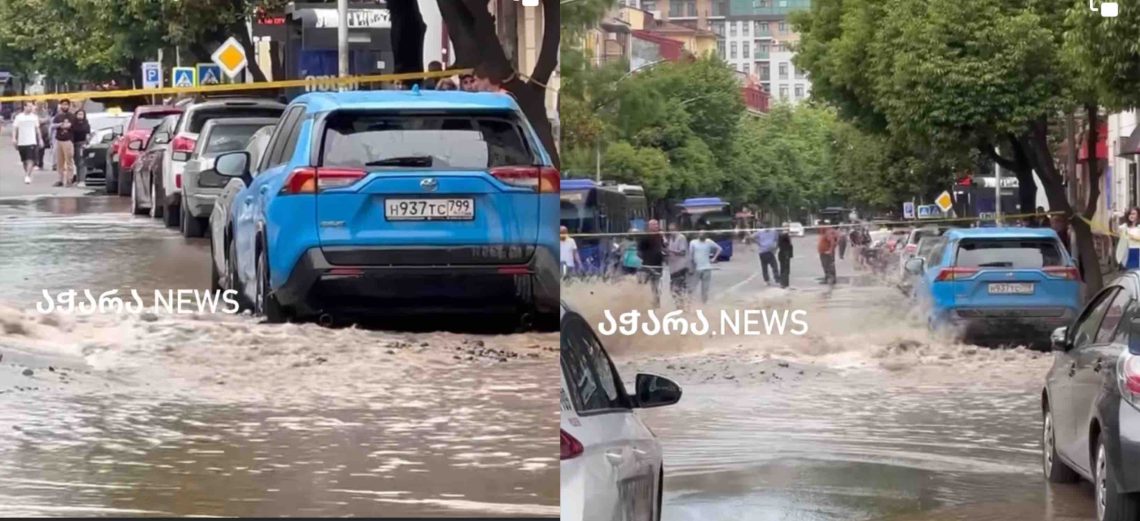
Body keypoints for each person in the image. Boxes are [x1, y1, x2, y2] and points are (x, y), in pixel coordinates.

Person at [689, 228, 724, 304]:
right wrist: (691, 267)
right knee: (692, 287)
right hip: (696, 268)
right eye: (701, 234)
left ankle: (704, 304)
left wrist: (714, 258)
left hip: (707, 268)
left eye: (704, 234)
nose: (702, 235)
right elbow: (690, 256)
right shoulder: (693, 243)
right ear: (698, 235)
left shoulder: (708, 242)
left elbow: (720, 249)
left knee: (705, 289)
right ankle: (689, 303)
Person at [637, 219, 666, 308]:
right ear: (649, 226)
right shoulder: (645, 236)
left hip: (658, 265)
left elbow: (665, 246)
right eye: (654, 225)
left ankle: (656, 305)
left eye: (657, 224)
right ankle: (640, 303)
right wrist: (644, 259)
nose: (656, 226)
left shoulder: (660, 236)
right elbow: (639, 250)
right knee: (642, 285)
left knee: (656, 287)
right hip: (646, 265)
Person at [12, 101, 42, 184]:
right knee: (24, 160)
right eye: (28, 106)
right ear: (24, 107)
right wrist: (14, 138)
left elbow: (37, 129)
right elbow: (15, 128)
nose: (30, 108)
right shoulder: (19, 117)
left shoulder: (34, 117)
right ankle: (27, 173)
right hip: (21, 141)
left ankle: (28, 175)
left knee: (30, 159)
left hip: (31, 141)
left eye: (31, 106)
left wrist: (40, 139)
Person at [51, 99, 77, 187]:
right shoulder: (58, 116)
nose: (64, 106)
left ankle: (69, 179)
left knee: (69, 160)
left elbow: (70, 125)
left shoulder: (72, 116)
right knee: (59, 161)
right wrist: (60, 125)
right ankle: (60, 180)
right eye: (63, 105)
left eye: (66, 105)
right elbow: (53, 126)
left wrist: (64, 125)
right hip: (59, 140)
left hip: (68, 140)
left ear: (69, 106)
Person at [666, 224, 690, 308]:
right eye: (670, 230)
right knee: (674, 287)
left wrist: (670, 251)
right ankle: (679, 304)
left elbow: (682, 252)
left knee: (678, 286)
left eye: (673, 230)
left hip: (681, 266)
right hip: (673, 267)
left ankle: (683, 304)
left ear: (677, 229)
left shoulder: (681, 237)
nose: (671, 232)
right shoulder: (670, 239)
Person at [72, 109, 91, 185]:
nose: (80, 116)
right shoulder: (73, 124)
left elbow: (88, 134)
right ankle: (77, 179)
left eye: (81, 114)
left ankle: (82, 180)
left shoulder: (86, 124)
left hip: (81, 144)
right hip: (73, 144)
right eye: (78, 114)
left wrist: (86, 143)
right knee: (76, 162)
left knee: (81, 162)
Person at [818, 221, 839, 286]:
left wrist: (830, 250)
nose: (819, 228)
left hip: (826, 253)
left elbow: (832, 241)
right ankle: (827, 278)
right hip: (823, 252)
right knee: (825, 266)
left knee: (829, 265)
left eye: (820, 226)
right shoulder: (824, 233)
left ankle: (832, 279)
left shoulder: (828, 232)